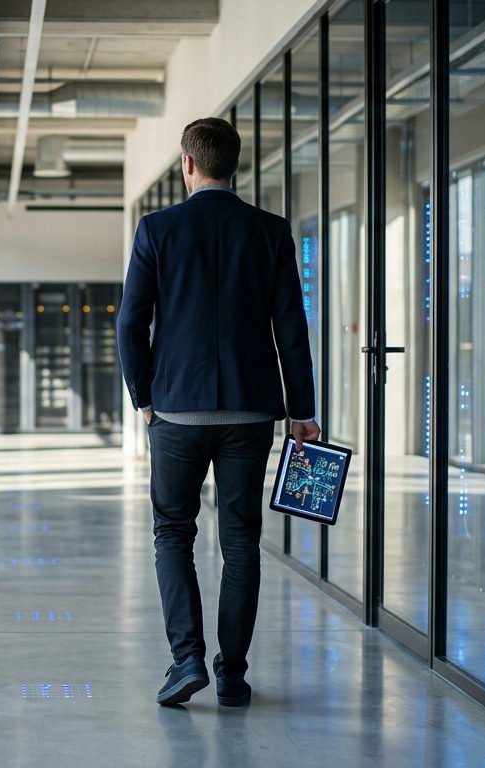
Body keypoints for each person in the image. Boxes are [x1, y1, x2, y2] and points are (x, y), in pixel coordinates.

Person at [116, 117, 319, 707]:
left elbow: (131, 322)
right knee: (241, 541)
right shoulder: (270, 231)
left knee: (173, 533)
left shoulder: (157, 229)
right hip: (251, 412)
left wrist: (145, 399)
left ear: (188, 165)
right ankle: (231, 672)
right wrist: (300, 409)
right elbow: (291, 327)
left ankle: (186, 661)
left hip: (177, 410)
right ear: (235, 167)